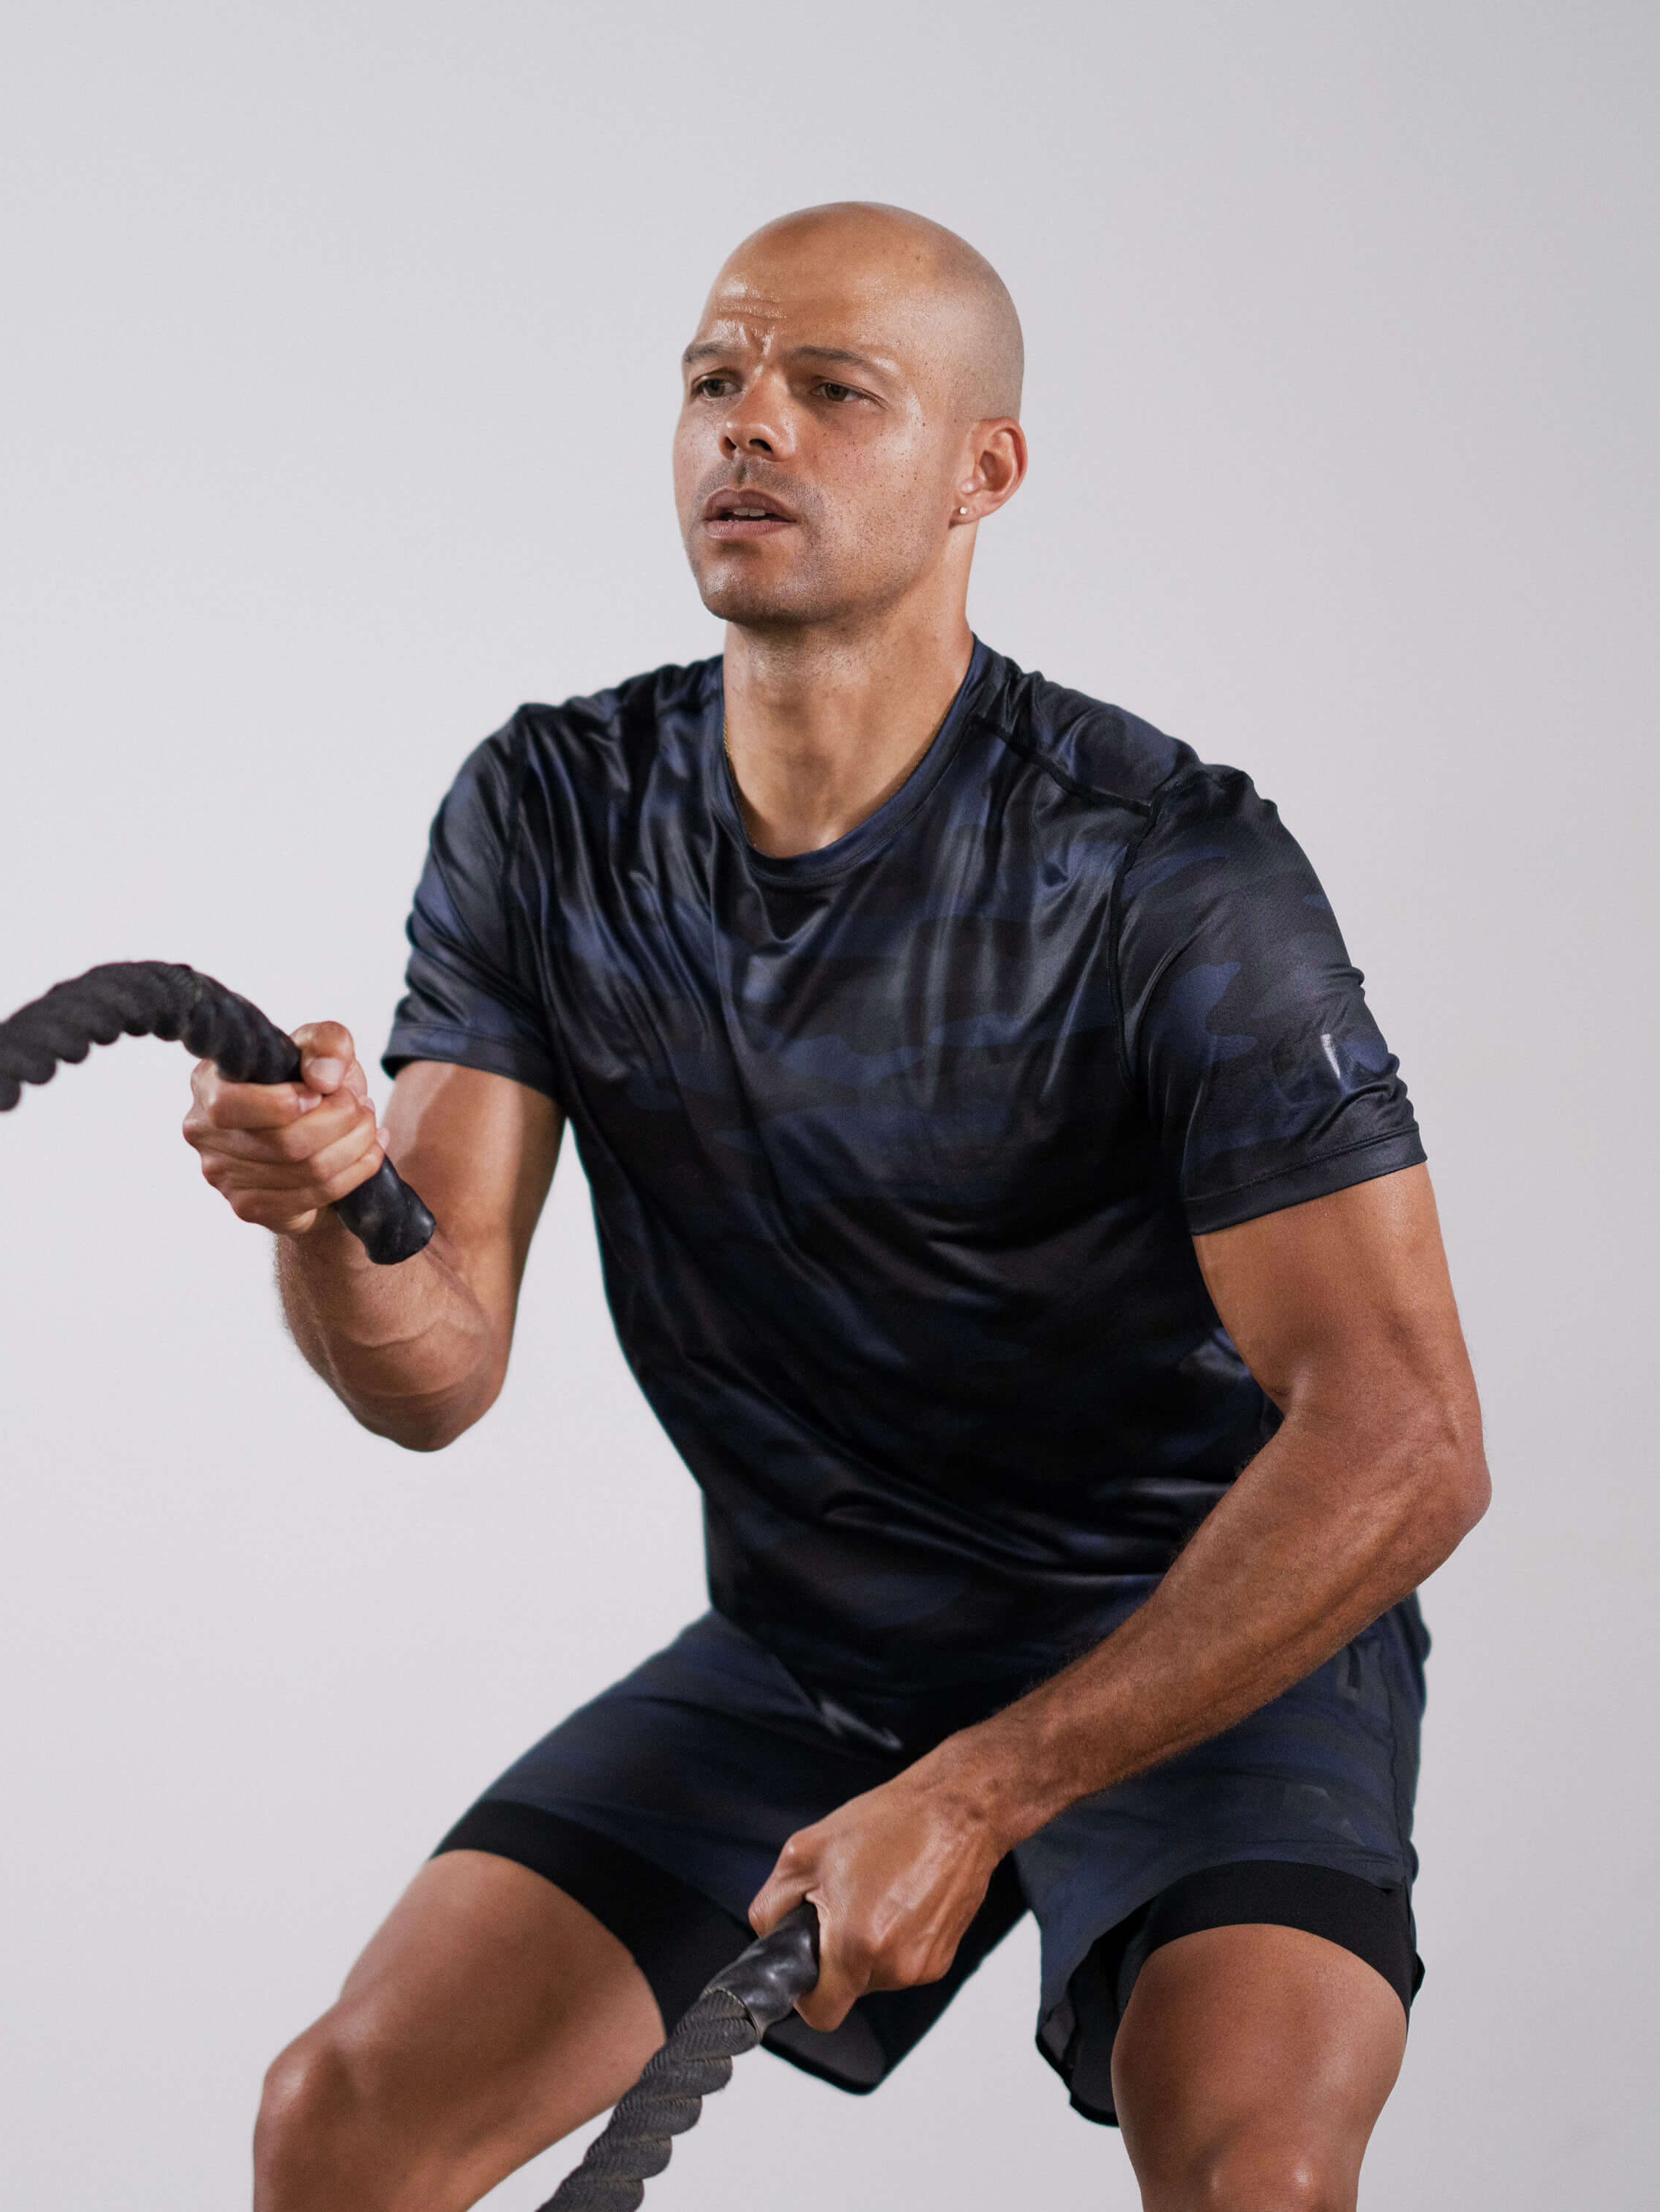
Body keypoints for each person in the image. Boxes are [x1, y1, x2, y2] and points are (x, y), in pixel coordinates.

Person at [183, 201, 1488, 2212]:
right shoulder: (550, 816)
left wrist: (983, 1790)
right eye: (715, 379)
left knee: (1259, 2174)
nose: (749, 426)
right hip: (825, 1651)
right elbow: (432, 1368)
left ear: (985, 470)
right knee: (338, 2121)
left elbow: (1408, 1440)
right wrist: (330, 1203)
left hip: (1207, 1636)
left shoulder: (1165, 870)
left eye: (832, 389)